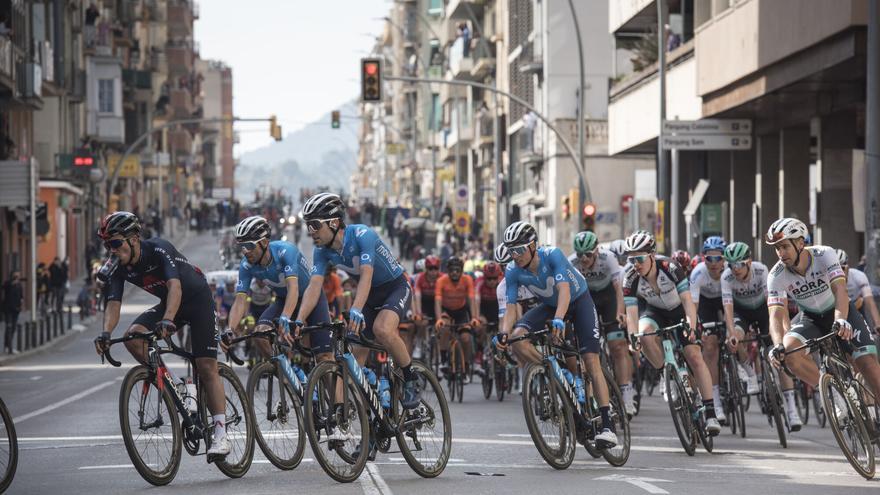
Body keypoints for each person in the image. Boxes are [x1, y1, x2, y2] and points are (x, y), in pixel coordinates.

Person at [92, 211, 230, 456]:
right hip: (170, 305)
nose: (111, 250)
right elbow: (113, 303)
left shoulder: (158, 249)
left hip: (196, 300)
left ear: (134, 238)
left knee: (206, 365)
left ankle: (221, 433)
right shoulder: (118, 267)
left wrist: (167, 319)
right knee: (134, 337)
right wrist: (105, 333)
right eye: (107, 245)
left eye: (115, 243)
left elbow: (174, 286)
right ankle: (177, 387)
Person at [495, 221, 618, 447]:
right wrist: (503, 333)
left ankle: (608, 425)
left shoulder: (552, 255)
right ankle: (552, 369)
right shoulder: (513, 270)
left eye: (519, 249)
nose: (515, 255)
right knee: (517, 338)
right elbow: (511, 306)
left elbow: (564, 290)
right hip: (550, 305)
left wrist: (560, 319)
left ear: (533, 246)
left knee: (591, 360)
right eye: (511, 250)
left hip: (578, 301)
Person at [296, 193, 421, 410]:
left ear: (334, 222)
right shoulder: (321, 252)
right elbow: (314, 287)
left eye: (315, 225)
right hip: (369, 296)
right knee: (351, 365)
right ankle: (357, 421)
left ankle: (411, 377)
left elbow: (366, 275)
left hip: (395, 287)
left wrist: (356, 308)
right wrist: (298, 319)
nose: (310, 232)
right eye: (308, 225)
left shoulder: (363, 234)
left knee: (382, 329)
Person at [766, 218, 880, 405]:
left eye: (785, 246)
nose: (780, 253)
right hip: (811, 318)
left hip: (841, 311)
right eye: (777, 248)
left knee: (869, 367)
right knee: (789, 353)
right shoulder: (775, 275)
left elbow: (840, 290)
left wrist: (841, 319)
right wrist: (777, 344)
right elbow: (776, 315)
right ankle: (833, 394)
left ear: (800, 242)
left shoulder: (824, 254)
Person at [622, 230, 722, 436]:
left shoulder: (670, 267)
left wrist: (691, 326)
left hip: (679, 311)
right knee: (645, 334)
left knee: (694, 356)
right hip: (654, 311)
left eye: (639, 259)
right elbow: (631, 313)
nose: (636, 265)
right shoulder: (630, 277)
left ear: (651, 255)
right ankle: (665, 374)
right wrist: (633, 338)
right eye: (631, 260)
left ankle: (710, 412)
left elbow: (687, 300)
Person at [224, 215, 333, 365]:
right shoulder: (246, 265)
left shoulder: (285, 251)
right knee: (259, 333)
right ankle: (287, 375)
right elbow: (240, 300)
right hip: (283, 300)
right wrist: (231, 329)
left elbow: (293, 288)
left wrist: (285, 317)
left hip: (310, 299)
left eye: (248, 246)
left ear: (263, 242)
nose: (245, 251)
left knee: (324, 357)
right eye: (241, 247)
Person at [569, 231, 635, 415]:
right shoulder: (571, 262)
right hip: (587, 298)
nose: (584, 259)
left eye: (588, 254)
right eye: (580, 254)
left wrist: (620, 313)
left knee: (618, 346)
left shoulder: (609, 258)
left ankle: (626, 394)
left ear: (597, 251)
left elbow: (618, 289)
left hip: (608, 298)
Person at [690, 236, 728, 424]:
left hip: (726, 300)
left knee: (737, 332)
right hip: (706, 304)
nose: (713, 263)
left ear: (724, 259)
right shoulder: (698, 273)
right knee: (710, 348)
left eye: (718, 258)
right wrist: (696, 328)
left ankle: (743, 367)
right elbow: (693, 307)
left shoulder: (730, 272)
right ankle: (715, 401)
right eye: (709, 259)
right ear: (703, 258)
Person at [718, 242, 765, 397]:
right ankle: (750, 373)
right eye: (731, 265)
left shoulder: (761, 270)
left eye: (739, 264)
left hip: (762, 309)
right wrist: (731, 333)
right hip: (741, 312)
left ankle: (791, 408)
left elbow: (772, 301)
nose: (735, 268)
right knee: (733, 338)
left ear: (749, 262)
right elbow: (728, 307)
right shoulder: (726, 277)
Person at [434, 256, 481, 378]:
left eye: (457, 270)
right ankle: (443, 360)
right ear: (448, 271)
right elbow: (437, 301)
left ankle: (466, 364)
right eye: (452, 270)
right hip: (446, 311)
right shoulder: (441, 281)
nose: (455, 273)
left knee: (466, 338)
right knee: (444, 329)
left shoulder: (467, 280)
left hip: (461, 311)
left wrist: (474, 317)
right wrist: (439, 318)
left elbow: (472, 300)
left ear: (461, 270)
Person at [838, 249, 880, 333]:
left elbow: (870, 301)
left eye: (842, 268)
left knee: (865, 332)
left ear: (847, 266)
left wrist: (878, 324)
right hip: (838, 306)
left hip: (856, 305)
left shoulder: (858, 276)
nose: (839, 272)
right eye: (836, 269)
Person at [2, 271, 23, 354]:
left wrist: (21, 302)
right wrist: (12, 283)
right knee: (9, 327)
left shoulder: (19, 284)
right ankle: (7, 346)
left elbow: (21, 296)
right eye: (16, 275)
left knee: (13, 328)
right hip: (8, 309)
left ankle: (9, 346)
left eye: (18, 275)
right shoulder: (8, 283)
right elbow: (4, 287)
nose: (17, 276)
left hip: (16, 309)